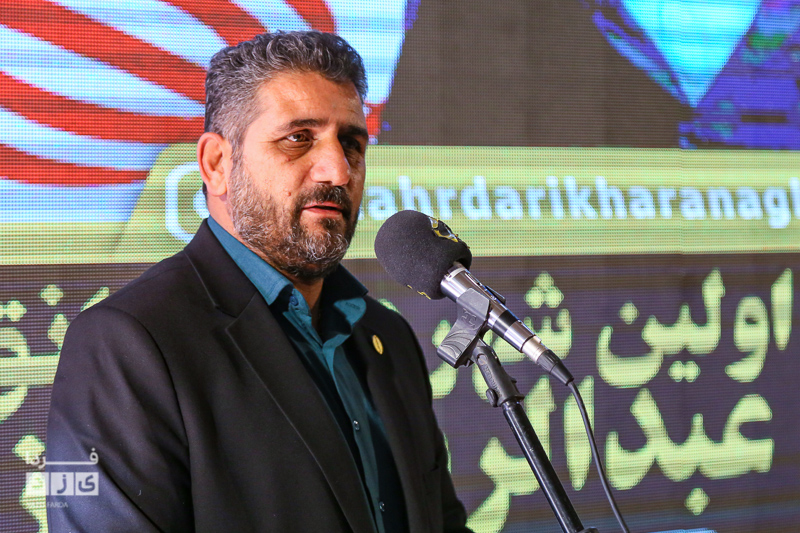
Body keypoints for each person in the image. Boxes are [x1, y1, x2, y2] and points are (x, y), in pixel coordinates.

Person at [46, 31, 470, 532]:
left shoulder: (389, 337)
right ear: (217, 164)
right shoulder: (123, 343)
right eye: (298, 138)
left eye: (352, 144)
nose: (338, 170)